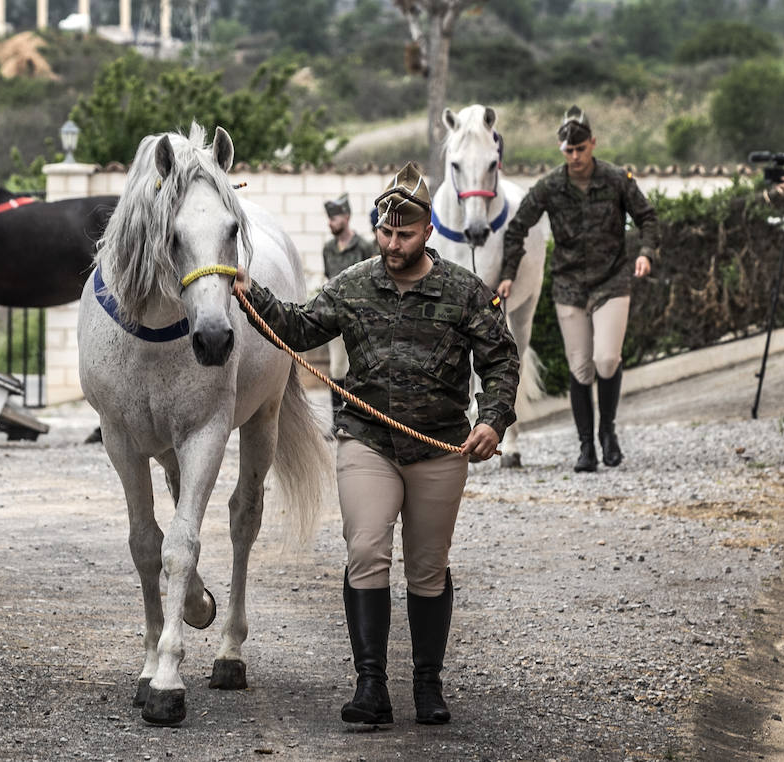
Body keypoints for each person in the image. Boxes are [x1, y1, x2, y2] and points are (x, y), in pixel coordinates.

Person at [234, 162, 520, 727]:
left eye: (404, 234)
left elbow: (501, 359)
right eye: (385, 232)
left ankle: (427, 686)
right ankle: (371, 686)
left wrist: (493, 420)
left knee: (428, 568)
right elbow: (298, 326)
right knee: (366, 551)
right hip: (367, 443)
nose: (392, 244)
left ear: (428, 232)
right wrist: (249, 292)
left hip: (439, 446)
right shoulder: (355, 282)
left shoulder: (463, 290)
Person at [497, 105, 660, 473]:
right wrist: (509, 273)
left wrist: (647, 252)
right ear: (561, 150)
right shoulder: (550, 186)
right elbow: (518, 227)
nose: (575, 157)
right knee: (581, 368)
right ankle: (586, 446)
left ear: (592, 144)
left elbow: (647, 217)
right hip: (570, 286)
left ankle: (608, 432)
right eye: (568, 151)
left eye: (581, 149)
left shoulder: (617, 179)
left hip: (612, 280)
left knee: (606, 360)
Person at [320, 195, 374, 379]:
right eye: (329, 218)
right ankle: (336, 409)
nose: (330, 223)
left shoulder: (363, 247)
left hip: (360, 318)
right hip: (335, 315)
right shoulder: (328, 248)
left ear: (346, 217)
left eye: (334, 218)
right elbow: (328, 276)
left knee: (360, 368)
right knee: (336, 369)